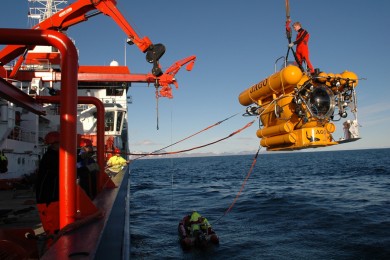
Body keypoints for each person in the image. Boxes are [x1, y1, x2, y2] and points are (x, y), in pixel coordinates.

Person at [35, 131, 60, 245]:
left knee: (54, 228)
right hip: (48, 199)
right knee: (52, 230)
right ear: (54, 144)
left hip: (49, 198)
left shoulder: (52, 156)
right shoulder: (52, 158)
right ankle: (53, 252)